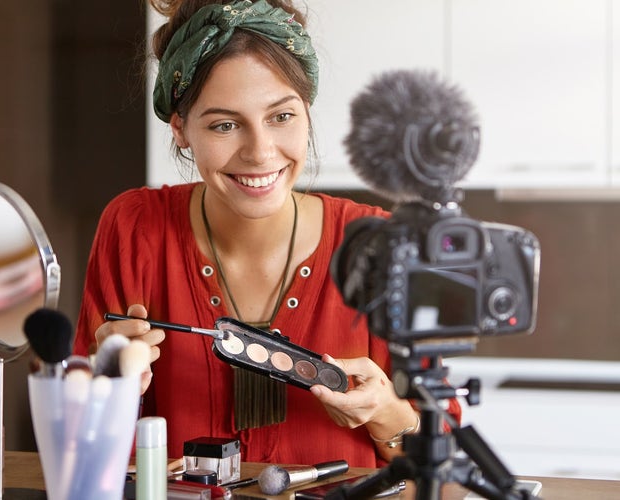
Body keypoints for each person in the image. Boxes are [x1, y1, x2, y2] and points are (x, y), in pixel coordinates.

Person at [73, 0, 461, 468]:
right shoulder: (134, 227)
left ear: (307, 111)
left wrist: (386, 413)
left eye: (281, 116)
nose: (260, 152)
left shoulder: (378, 245)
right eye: (225, 124)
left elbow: (445, 460)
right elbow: (85, 451)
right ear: (180, 128)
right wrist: (106, 397)